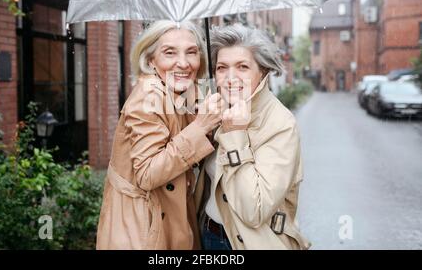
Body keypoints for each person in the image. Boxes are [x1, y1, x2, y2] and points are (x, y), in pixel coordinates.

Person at [96, 20, 223, 249]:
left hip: (167, 220)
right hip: (142, 230)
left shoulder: (179, 93)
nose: (183, 63)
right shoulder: (148, 97)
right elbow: (147, 174)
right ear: (151, 59)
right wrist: (201, 126)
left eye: (192, 52)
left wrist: (203, 120)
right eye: (169, 53)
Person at [194, 23, 311, 250]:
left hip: (251, 243)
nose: (230, 78)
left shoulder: (280, 124)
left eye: (242, 67)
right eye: (221, 67)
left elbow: (253, 211)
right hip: (209, 235)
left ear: (263, 72)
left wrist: (235, 135)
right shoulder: (218, 111)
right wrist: (202, 130)